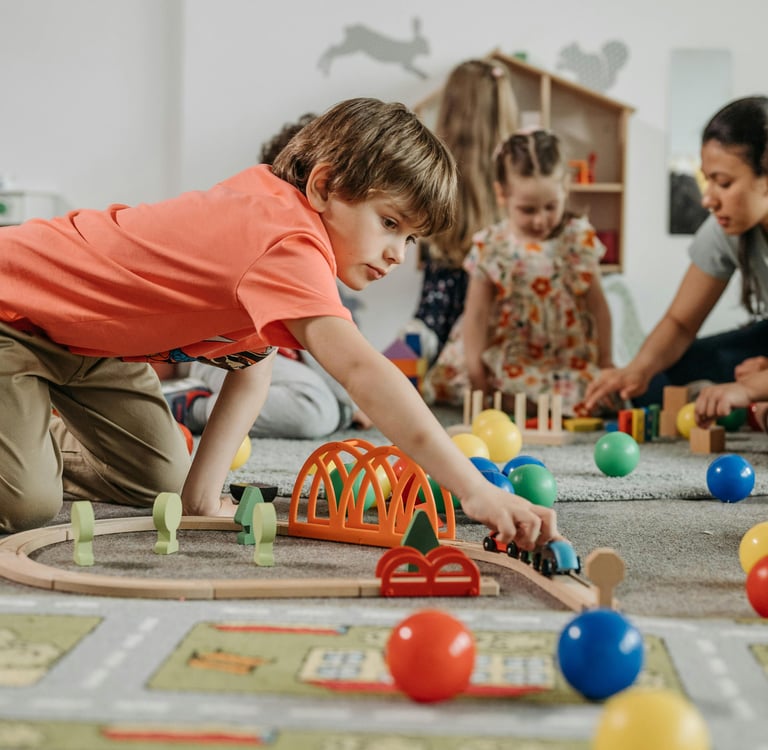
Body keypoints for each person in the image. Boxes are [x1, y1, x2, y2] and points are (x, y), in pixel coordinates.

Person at [0, 97, 558, 551]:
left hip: (90, 346)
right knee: (27, 505)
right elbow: (362, 370)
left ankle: (30, 435)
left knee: (159, 482)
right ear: (322, 186)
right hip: (13, 315)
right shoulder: (283, 238)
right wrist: (472, 489)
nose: (397, 254)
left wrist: (200, 499)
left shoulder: (280, 237)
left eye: (409, 238)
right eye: (389, 223)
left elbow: (253, 368)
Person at [172, 113, 373, 438]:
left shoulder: (328, 276)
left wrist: (353, 400)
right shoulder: (265, 253)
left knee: (325, 402)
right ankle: (191, 406)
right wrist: (348, 405)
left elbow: (338, 359)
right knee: (316, 410)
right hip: (230, 359)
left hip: (283, 370)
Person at [584, 96, 768, 421]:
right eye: (707, 179)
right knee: (656, 382)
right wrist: (636, 371)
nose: (707, 199)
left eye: (723, 183)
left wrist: (751, 388)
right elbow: (681, 323)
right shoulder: (725, 229)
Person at [423, 129, 616, 417]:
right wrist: (476, 372)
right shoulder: (492, 245)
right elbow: (476, 315)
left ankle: (534, 404)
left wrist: (606, 362)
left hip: (564, 358)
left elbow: (598, 306)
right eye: (527, 210)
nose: (540, 220)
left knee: (594, 396)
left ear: (565, 187)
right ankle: (514, 401)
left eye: (551, 207)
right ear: (502, 194)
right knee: (486, 388)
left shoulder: (578, 238)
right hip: (511, 355)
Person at [400, 59, 519, 365]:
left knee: (418, 337)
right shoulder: (517, 173)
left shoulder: (435, 173)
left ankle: (371, 402)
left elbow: (429, 320)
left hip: (447, 297)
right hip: (501, 314)